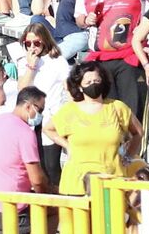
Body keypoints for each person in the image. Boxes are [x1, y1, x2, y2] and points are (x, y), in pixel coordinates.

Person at [45, 62, 136, 196]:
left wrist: (128, 155)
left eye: (97, 81)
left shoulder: (117, 107)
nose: (93, 84)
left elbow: (138, 132)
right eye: (88, 82)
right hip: (77, 184)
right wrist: (67, 145)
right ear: (80, 86)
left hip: (112, 180)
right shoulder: (70, 110)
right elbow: (48, 129)